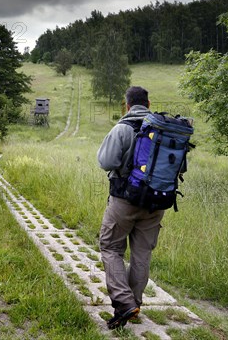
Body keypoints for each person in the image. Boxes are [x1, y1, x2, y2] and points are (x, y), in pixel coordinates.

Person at [96, 86, 164, 330]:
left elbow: (106, 162)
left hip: (125, 201)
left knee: (111, 247)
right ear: (148, 103)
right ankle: (134, 305)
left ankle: (124, 303)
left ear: (127, 105)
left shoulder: (123, 128)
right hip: (156, 203)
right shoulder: (163, 130)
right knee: (141, 254)